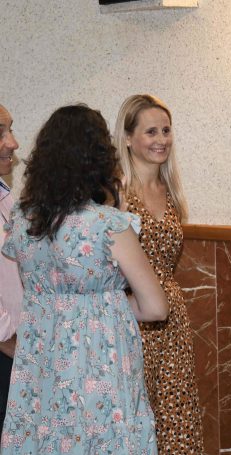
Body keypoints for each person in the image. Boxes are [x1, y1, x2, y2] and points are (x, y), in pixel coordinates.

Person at [0, 104, 169, 454]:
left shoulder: (22, 220)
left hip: (41, 367)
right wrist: (107, 303)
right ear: (98, 159)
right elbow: (155, 307)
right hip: (100, 367)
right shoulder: (108, 225)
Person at [114, 94, 204, 454]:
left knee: (175, 417)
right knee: (135, 414)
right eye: (151, 131)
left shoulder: (171, 192)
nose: (161, 139)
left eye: (166, 131)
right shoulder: (116, 192)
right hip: (130, 318)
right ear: (127, 138)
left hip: (172, 321)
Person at [0, 105, 23, 438]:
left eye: (10, 130)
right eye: (0, 133)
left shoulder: (6, 198)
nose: (13, 143)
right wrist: (7, 339)